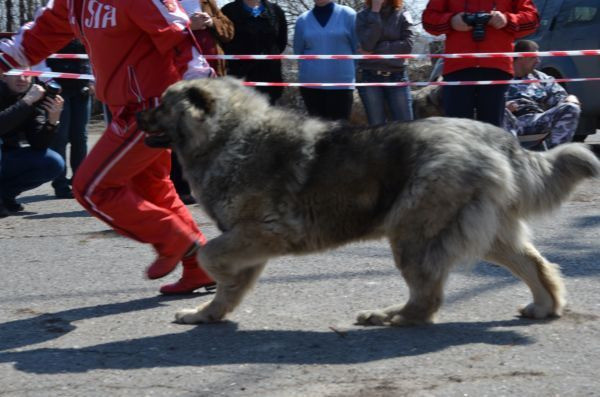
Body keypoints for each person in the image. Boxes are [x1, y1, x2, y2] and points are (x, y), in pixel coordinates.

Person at [0, 0, 216, 294]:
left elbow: (180, 39)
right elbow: (32, 41)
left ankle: (176, 240)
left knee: (92, 188)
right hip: (122, 106)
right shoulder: (72, 3)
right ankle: (200, 266)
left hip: (155, 108)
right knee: (152, 189)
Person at [422, 0, 539, 127]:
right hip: (458, 68)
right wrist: (450, 21)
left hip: (496, 68)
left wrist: (507, 19)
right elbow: (428, 20)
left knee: (493, 130)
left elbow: (533, 20)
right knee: (457, 130)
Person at [172, 0, 235, 205]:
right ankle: (179, 188)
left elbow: (229, 31)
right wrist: (188, 25)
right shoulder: (166, 4)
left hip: (212, 76)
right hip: (179, 75)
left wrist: (211, 22)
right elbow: (158, 31)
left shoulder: (207, 2)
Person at [0, 70, 65, 217]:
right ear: (3, 75)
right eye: (16, 73)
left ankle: (5, 195)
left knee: (53, 162)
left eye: (26, 73)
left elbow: (38, 144)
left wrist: (53, 121)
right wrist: (25, 102)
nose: (22, 78)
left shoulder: (33, 97)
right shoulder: (30, 97)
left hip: (7, 156)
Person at [503, 40, 581, 149]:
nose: (538, 61)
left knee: (571, 108)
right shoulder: (500, 77)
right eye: (533, 57)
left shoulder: (540, 78)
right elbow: (482, 105)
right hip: (511, 122)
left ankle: (557, 156)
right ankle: (512, 157)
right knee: (501, 113)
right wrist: (502, 107)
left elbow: (560, 97)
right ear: (521, 57)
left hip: (537, 120)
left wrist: (570, 98)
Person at [294, 0, 358, 121]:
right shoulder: (302, 20)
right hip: (311, 87)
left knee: (340, 133)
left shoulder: (349, 15)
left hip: (341, 87)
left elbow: (357, 49)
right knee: (316, 135)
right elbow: (298, 52)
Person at [46, 38, 92, 199]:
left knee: (80, 137)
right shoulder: (50, 27)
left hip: (81, 89)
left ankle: (80, 182)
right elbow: (39, 59)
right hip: (58, 89)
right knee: (60, 137)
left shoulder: (83, 27)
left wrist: (92, 79)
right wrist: (50, 83)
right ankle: (60, 184)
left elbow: (92, 56)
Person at [356, 0, 415, 125]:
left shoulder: (403, 15)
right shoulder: (362, 16)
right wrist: (375, 12)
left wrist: (377, 49)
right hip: (370, 77)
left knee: (406, 128)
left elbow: (407, 47)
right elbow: (367, 45)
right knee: (377, 129)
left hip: (397, 76)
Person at [221, 0, 287, 104]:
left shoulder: (276, 11)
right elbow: (223, 43)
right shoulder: (228, 11)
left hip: (269, 76)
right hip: (239, 79)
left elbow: (281, 42)